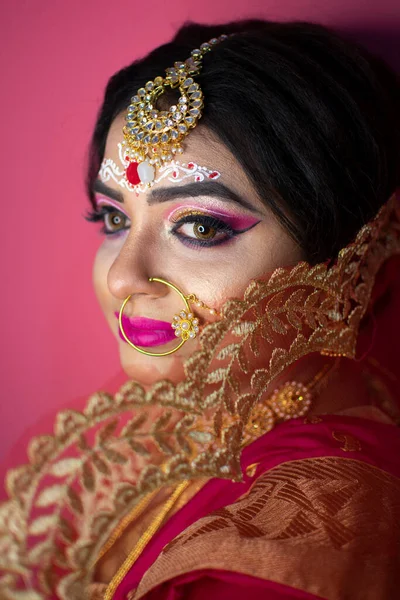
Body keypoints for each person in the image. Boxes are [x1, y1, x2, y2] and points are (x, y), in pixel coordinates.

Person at [1, 18, 400, 600]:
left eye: (200, 225)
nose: (122, 276)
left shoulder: (302, 532)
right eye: (115, 219)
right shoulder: (168, 432)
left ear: (351, 253)